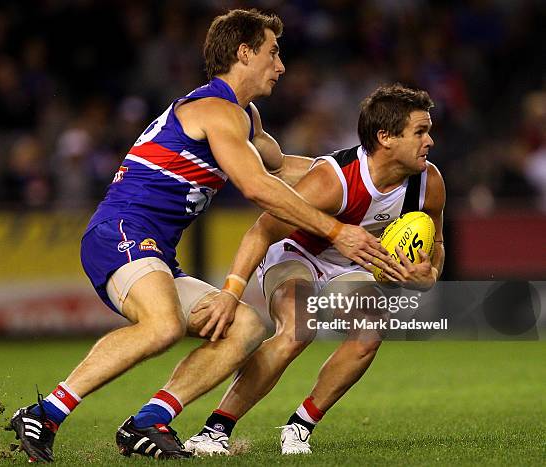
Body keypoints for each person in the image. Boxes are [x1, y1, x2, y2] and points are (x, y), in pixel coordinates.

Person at [9, 9, 396, 462]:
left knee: (247, 327)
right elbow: (257, 186)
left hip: (152, 250)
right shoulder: (214, 110)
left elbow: (287, 167)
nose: (281, 65)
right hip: (122, 231)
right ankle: (46, 413)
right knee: (164, 324)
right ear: (244, 53)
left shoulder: (243, 117)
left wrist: (371, 171)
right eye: (273, 53)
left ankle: (148, 421)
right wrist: (336, 230)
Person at [185, 84, 446, 456]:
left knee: (370, 332)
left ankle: (299, 426)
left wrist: (430, 274)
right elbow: (262, 229)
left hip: (350, 262)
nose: (430, 141)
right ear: (385, 137)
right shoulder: (334, 180)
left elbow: (437, 246)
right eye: (420, 132)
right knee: (298, 328)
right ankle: (214, 431)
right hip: (296, 252)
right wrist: (231, 291)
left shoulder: (429, 182)